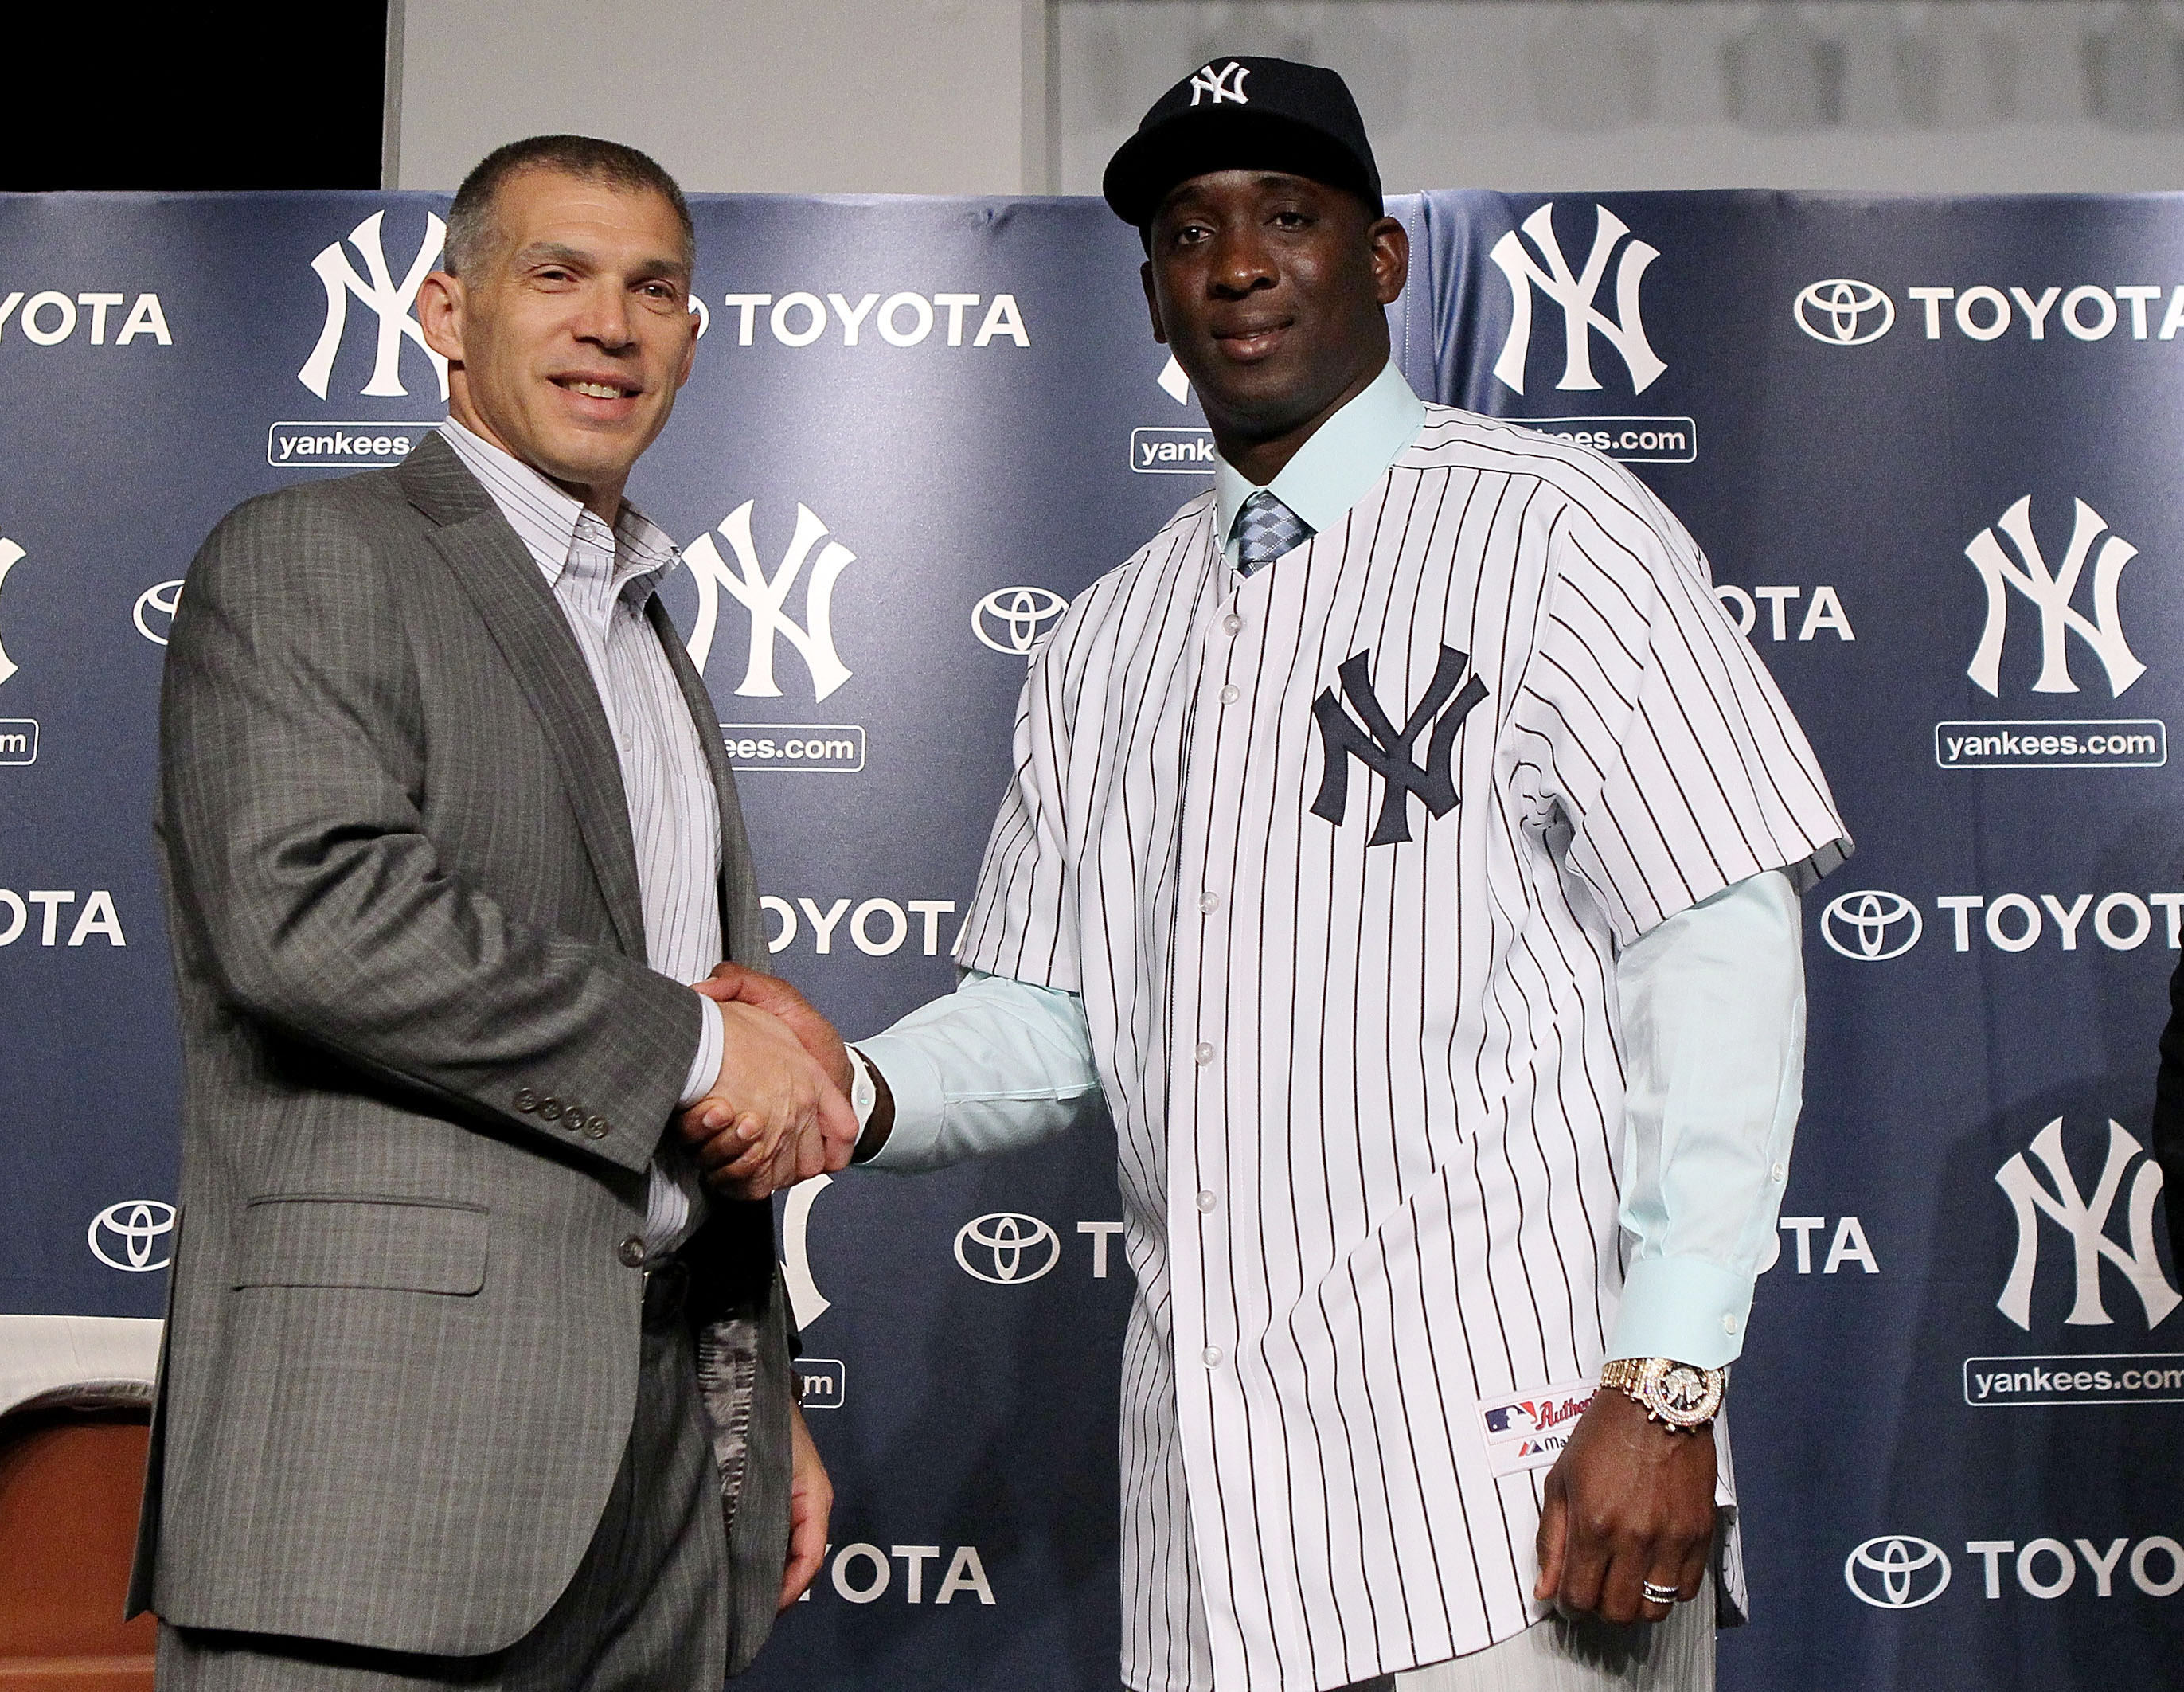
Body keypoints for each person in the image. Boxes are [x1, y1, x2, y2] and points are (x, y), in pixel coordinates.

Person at [691, 58, 1848, 1692]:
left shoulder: (1555, 532)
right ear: (1153, 293)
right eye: (1187, 229)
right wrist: (850, 1086)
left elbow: (1714, 955)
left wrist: (1666, 1386)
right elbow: (1046, 1024)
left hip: (1515, 1493)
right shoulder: (1105, 640)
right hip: (1219, 1532)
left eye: (1286, 215)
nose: (1235, 261)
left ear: (1380, 259)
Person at [134, 135, 856, 1692]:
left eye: (656, 289)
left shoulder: (653, 639)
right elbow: (312, 912)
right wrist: (695, 1050)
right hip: (382, 1488)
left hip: (667, 1482)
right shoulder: (314, 554)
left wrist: (754, 1395)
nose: (614, 324)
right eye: (560, 274)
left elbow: (671, 1107)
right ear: (443, 311)